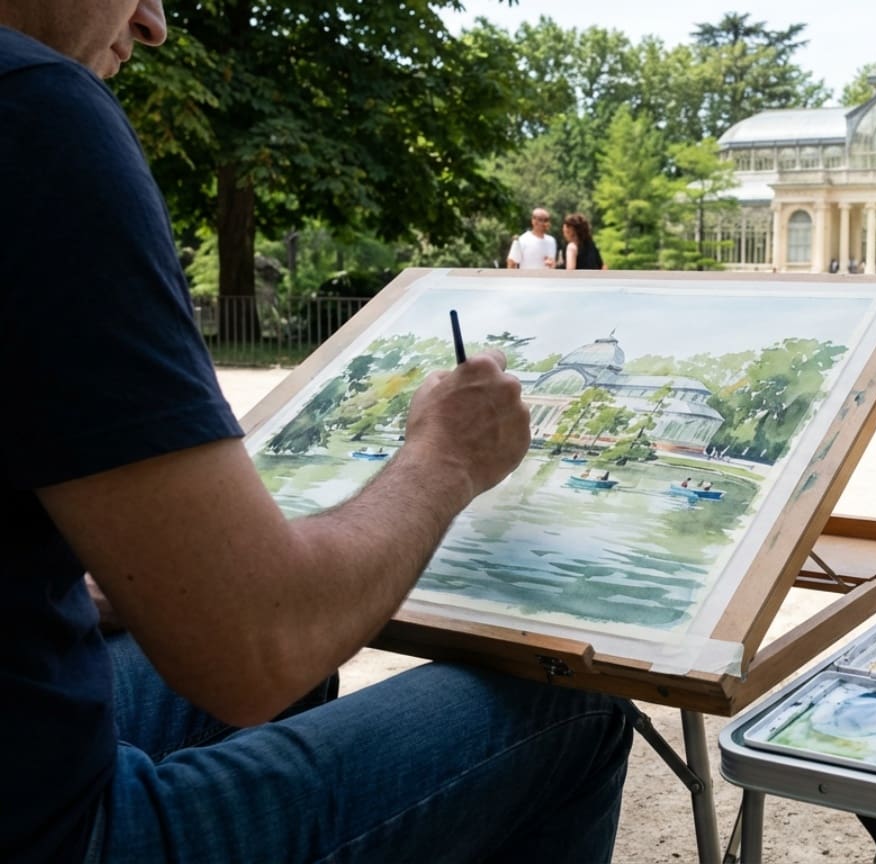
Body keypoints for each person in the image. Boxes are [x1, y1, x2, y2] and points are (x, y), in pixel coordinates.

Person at [0, 7, 633, 864]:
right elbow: (256, 647)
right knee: (572, 712)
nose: (153, 24)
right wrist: (445, 458)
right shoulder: (34, 111)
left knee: (301, 673)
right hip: (55, 832)